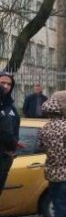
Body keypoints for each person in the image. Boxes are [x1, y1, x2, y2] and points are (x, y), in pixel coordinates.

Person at [0, 71, 20, 201]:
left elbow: (14, 128)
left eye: (9, 84)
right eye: (3, 83)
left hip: (5, 158)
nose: (6, 86)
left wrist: (14, 145)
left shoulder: (11, 107)